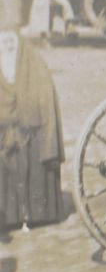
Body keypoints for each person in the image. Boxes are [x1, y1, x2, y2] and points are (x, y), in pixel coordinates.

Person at [0, 29, 63, 232]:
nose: (7, 45)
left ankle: (38, 214)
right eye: (3, 41)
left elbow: (45, 101)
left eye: (11, 40)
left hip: (31, 131)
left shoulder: (34, 62)